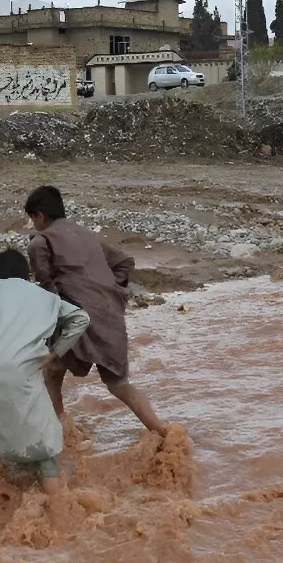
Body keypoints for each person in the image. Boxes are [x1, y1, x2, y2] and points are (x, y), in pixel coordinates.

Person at [25, 185, 169, 436]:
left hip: (77, 319)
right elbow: (124, 262)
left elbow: (47, 289)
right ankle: (165, 433)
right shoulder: (87, 235)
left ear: (39, 216)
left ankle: (58, 432)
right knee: (119, 384)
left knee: (51, 371)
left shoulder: (40, 242)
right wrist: (113, 293)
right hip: (111, 317)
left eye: (32, 218)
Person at [0, 250, 90, 494]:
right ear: (27, 276)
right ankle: (58, 508)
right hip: (22, 377)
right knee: (44, 444)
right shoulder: (46, 297)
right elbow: (81, 318)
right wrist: (55, 352)